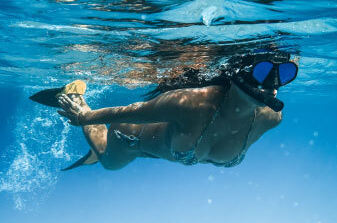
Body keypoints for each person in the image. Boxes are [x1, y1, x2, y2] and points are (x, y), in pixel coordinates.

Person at [30, 50, 299, 171]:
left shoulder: (271, 118)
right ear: (239, 74)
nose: (273, 85)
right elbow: (130, 111)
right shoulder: (192, 103)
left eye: (285, 74)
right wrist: (84, 117)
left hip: (163, 147)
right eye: (264, 71)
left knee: (147, 152)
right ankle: (76, 95)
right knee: (109, 163)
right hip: (132, 137)